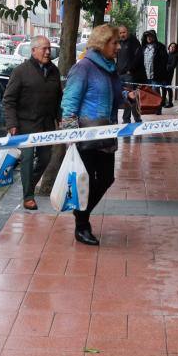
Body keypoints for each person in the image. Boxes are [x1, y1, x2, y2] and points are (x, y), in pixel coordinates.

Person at [60, 25, 135, 245]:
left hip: (105, 135)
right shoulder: (84, 67)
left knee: (106, 178)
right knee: (86, 180)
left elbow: (114, 94)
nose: (119, 47)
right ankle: (82, 225)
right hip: (85, 137)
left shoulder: (108, 67)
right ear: (102, 43)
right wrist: (71, 137)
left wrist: (126, 95)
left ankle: (80, 216)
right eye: (115, 43)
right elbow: (69, 103)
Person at [3, 35, 62, 210]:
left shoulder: (54, 71)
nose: (48, 52)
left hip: (46, 125)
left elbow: (59, 97)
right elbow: (9, 100)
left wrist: (60, 117)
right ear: (33, 50)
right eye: (44, 48)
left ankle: (29, 185)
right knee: (27, 159)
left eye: (49, 48)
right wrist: (12, 123)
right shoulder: (21, 71)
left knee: (45, 159)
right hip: (25, 124)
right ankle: (28, 196)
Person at [134, 30, 168, 113]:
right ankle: (149, 108)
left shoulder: (160, 47)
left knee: (155, 91)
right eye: (147, 36)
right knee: (146, 93)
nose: (149, 38)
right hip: (144, 75)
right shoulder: (142, 48)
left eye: (151, 36)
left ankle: (158, 109)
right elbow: (137, 61)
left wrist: (161, 73)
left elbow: (164, 61)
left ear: (154, 37)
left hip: (155, 75)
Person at [117, 25, 142, 123]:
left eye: (124, 32)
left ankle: (131, 118)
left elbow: (138, 57)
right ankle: (131, 118)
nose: (122, 35)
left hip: (129, 75)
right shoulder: (118, 43)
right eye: (120, 33)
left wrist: (131, 70)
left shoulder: (133, 42)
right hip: (120, 75)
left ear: (128, 32)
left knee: (131, 97)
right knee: (125, 97)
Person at [163, 42, 178, 108]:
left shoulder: (175, 56)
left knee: (168, 87)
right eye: (171, 46)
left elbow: (173, 65)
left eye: (174, 47)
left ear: (175, 49)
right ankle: (163, 102)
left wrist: (165, 66)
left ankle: (170, 102)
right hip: (164, 73)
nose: (172, 48)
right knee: (164, 88)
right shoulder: (167, 54)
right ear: (169, 47)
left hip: (169, 74)